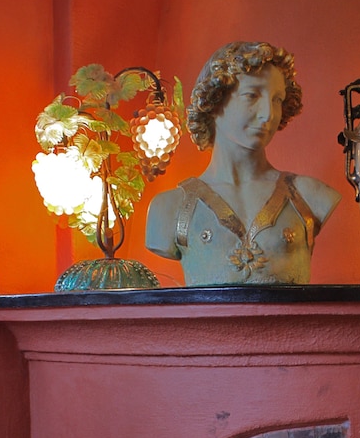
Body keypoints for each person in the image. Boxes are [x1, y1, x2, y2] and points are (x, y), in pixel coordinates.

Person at [145, 41, 341, 285]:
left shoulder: (309, 196)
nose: (268, 114)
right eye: (251, 96)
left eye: (277, 100)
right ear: (215, 101)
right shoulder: (171, 207)